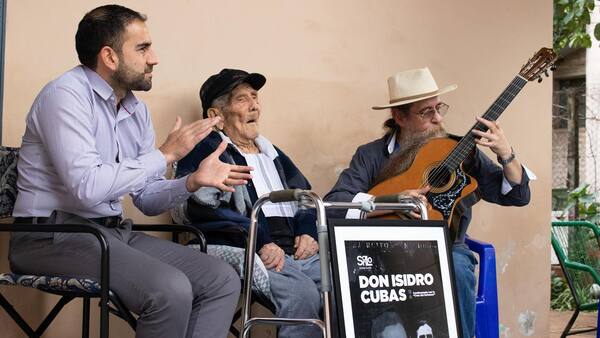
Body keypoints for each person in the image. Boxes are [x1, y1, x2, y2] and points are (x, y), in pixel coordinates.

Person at [9, 5, 253, 338]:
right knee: (170, 289)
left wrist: (191, 182)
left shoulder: (135, 110)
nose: (154, 58)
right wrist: (165, 154)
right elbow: (87, 187)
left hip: (110, 233)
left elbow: (147, 200)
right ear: (109, 57)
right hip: (48, 238)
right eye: (142, 48)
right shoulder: (64, 97)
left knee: (221, 279)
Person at [324, 67, 533, 338]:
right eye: (426, 112)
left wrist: (506, 154)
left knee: (457, 269)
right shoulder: (371, 155)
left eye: (439, 108)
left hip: (445, 250)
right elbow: (336, 203)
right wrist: (393, 203)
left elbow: (516, 195)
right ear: (399, 117)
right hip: (384, 254)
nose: (438, 119)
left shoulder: (460, 152)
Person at [175, 68, 322, 338]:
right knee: (301, 292)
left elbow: (304, 196)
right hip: (246, 245)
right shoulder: (207, 150)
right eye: (242, 99)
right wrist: (260, 239)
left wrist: (308, 232)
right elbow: (199, 209)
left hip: (293, 248)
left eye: (255, 97)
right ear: (215, 116)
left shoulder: (272, 152)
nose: (254, 105)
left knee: (345, 282)